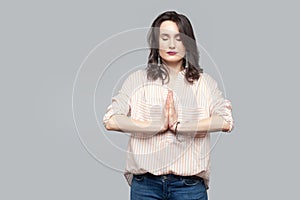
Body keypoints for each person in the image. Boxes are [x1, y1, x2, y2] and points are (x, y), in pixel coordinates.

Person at [103, 11, 233, 200]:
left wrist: (180, 126)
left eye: (179, 38)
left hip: (189, 187)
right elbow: (111, 120)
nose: (171, 45)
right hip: (145, 186)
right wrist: (155, 126)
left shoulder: (205, 83)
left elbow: (226, 120)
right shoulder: (137, 80)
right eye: (165, 38)